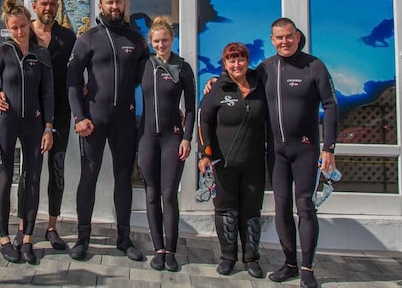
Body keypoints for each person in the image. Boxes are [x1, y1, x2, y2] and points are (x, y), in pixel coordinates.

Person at [67, 0, 149, 261]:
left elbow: (146, 77)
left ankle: (124, 239)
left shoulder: (136, 40)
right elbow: (72, 81)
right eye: (109, 2)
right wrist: (80, 117)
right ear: (100, 6)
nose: (114, 7)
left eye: (118, 2)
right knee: (88, 177)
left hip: (125, 121)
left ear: (124, 4)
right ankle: (82, 238)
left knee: (123, 179)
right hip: (93, 121)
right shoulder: (88, 38)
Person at [0, 0, 77, 251]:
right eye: (44, 3)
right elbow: (5, 70)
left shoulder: (67, 37)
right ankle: (22, 226)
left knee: (57, 171)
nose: (48, 8)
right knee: (26, 173)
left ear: (57, 7)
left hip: (58, 114)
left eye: (53, 4)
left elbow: (76, 73)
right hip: (25, 114)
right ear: (35, 5)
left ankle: (51, 227)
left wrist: (84, 90)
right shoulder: (22, 30)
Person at [261, 18, 338, 288]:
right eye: (279, 37)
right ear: (272, 40)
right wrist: (215, 81)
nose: (284, 41)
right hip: (276, 151)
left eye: (289, 36)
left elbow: (330, 106)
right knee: (281, 207)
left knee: (304, 206)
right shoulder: (267, 68)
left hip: (305, 149)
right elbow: (241, 85)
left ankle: (307, 268)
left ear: (297, 36)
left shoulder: (313, 66)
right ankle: (289, 263)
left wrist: (329, 147)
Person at [0, 0, 55, 264]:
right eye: (14, 27)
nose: (20, 31)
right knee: (5, 179)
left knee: (33, 179)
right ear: (8, 28)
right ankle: (4, 239)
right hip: (7, 122)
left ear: (29, 23)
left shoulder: (41, 54)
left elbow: (48, 93)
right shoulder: (3, 52)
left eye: (23, 26)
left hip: (34, 124)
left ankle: (26, 239)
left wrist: (48, 128)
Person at [197, 42, 269, 279]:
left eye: (240, 59)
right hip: (224, 163)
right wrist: (205, 153)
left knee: (251, 212)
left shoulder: (261, 86)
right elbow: (204, 120)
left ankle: (251, 258)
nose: (236, 64)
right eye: (231, 60)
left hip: (254, 163)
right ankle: (228, 257)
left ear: (247, 61)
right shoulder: (218, 88)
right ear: (225, 64)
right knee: (226, 211)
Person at [138, 16, 196, 272]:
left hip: (173, 138)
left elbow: (192, 108)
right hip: (147, 138)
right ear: (150, 42)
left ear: (172, 40)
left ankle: (171, 251)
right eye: (156, 41)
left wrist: (187, 137)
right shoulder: (144, 65)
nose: (161, 45)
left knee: (169, 194)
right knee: (152, 194)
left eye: (165, 41)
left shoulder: (183, 67)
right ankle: (158, 249)